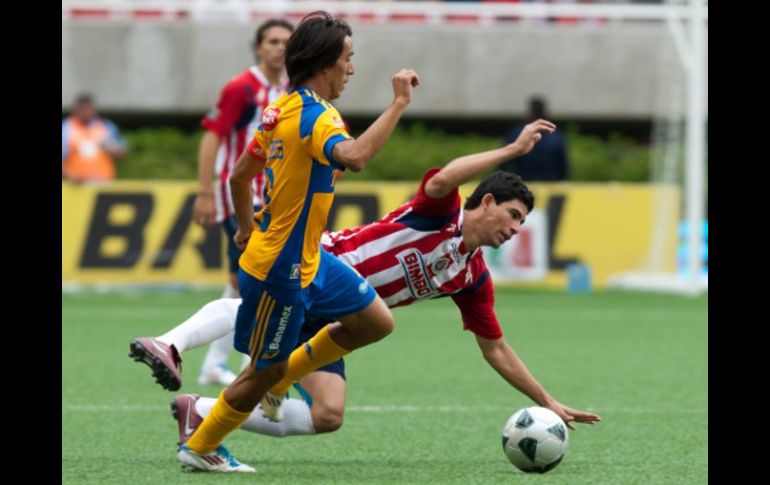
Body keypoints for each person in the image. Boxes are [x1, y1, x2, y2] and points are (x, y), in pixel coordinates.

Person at [130, 118, 600, 453]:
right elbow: (448, 175)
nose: (516, 229)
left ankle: (201, 410)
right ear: (488, 201)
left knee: (328, 416)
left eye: (522, 223)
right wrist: (514, 150)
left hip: (339, 321)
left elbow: (495, 349)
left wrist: (547, 400)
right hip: (324, 264)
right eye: (514, 216)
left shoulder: (471, 276)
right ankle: (171, 343)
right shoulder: (440, 213)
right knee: (260, 318)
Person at [140, 11, 419, 472]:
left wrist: (247, 228)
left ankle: (280, 375)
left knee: (375, 323)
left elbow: (240, 176)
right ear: (326, 61)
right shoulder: (315, 116)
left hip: (310, 257)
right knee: (262, 372)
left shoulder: (283, 107)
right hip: (281, 269)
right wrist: (399, 104)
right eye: (348, 58)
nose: (352, 69)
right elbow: (356, 157)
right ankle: (202, 445)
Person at [191, 19, 294, 388]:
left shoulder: (290, 90)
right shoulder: (242, 87)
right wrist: (205, 192)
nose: (280, 47)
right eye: (272, 41)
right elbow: (212, 137)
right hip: (236, 194)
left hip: (269, 198)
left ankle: (223, 363)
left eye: (286, 41)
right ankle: (237, 361)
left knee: (246, 279)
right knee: (247, 277)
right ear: (258, 47)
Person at [500, 96, 569, 181]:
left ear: (529, 111)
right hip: (550, 185)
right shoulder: (556, 135)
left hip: (523, 184)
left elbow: (504, 162)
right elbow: (563, 167)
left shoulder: (518, 133)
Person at [62, 93, 127, 182]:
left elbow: (122, 152)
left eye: (89, 109)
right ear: (76, 109)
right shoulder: (66, 127)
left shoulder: (106, 126)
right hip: (76, 185)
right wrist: (69, 175)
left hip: (104, 183)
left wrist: (111, 148)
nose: (86, 112)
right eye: (83, 109)